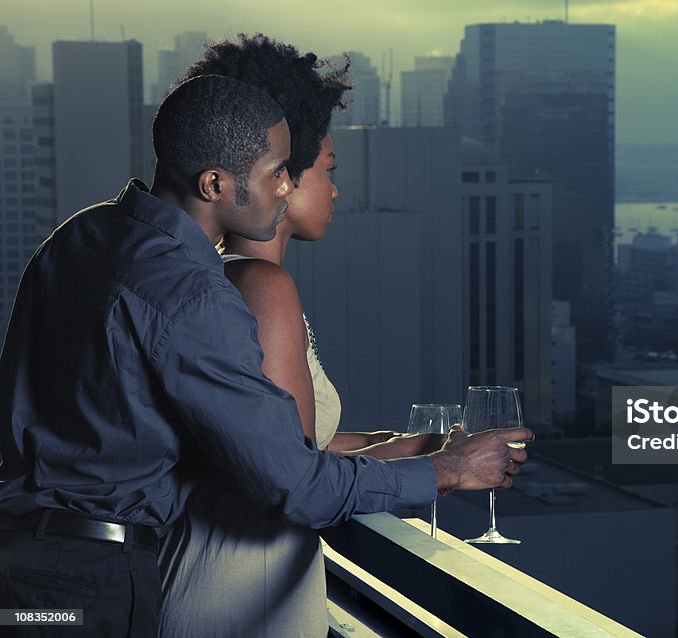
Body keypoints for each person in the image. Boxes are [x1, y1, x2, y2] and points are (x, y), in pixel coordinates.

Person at [0, 74, 531, 637]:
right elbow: (293, 485)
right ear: (214, 184)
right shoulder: (194, 296)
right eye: (276, 172)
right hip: (87, 588)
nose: (286, 188)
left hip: (22, 568)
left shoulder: (77, 236)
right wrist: (447, 469)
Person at [158, 36, 447, 637]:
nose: (336, 190)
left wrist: (416, 443)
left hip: (232, 580)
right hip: (237, 592)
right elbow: (293, 479)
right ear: (282, 178)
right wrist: (450, 469)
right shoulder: (262, 288)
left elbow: (280, 447)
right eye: (329, 171)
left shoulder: (221, 275)